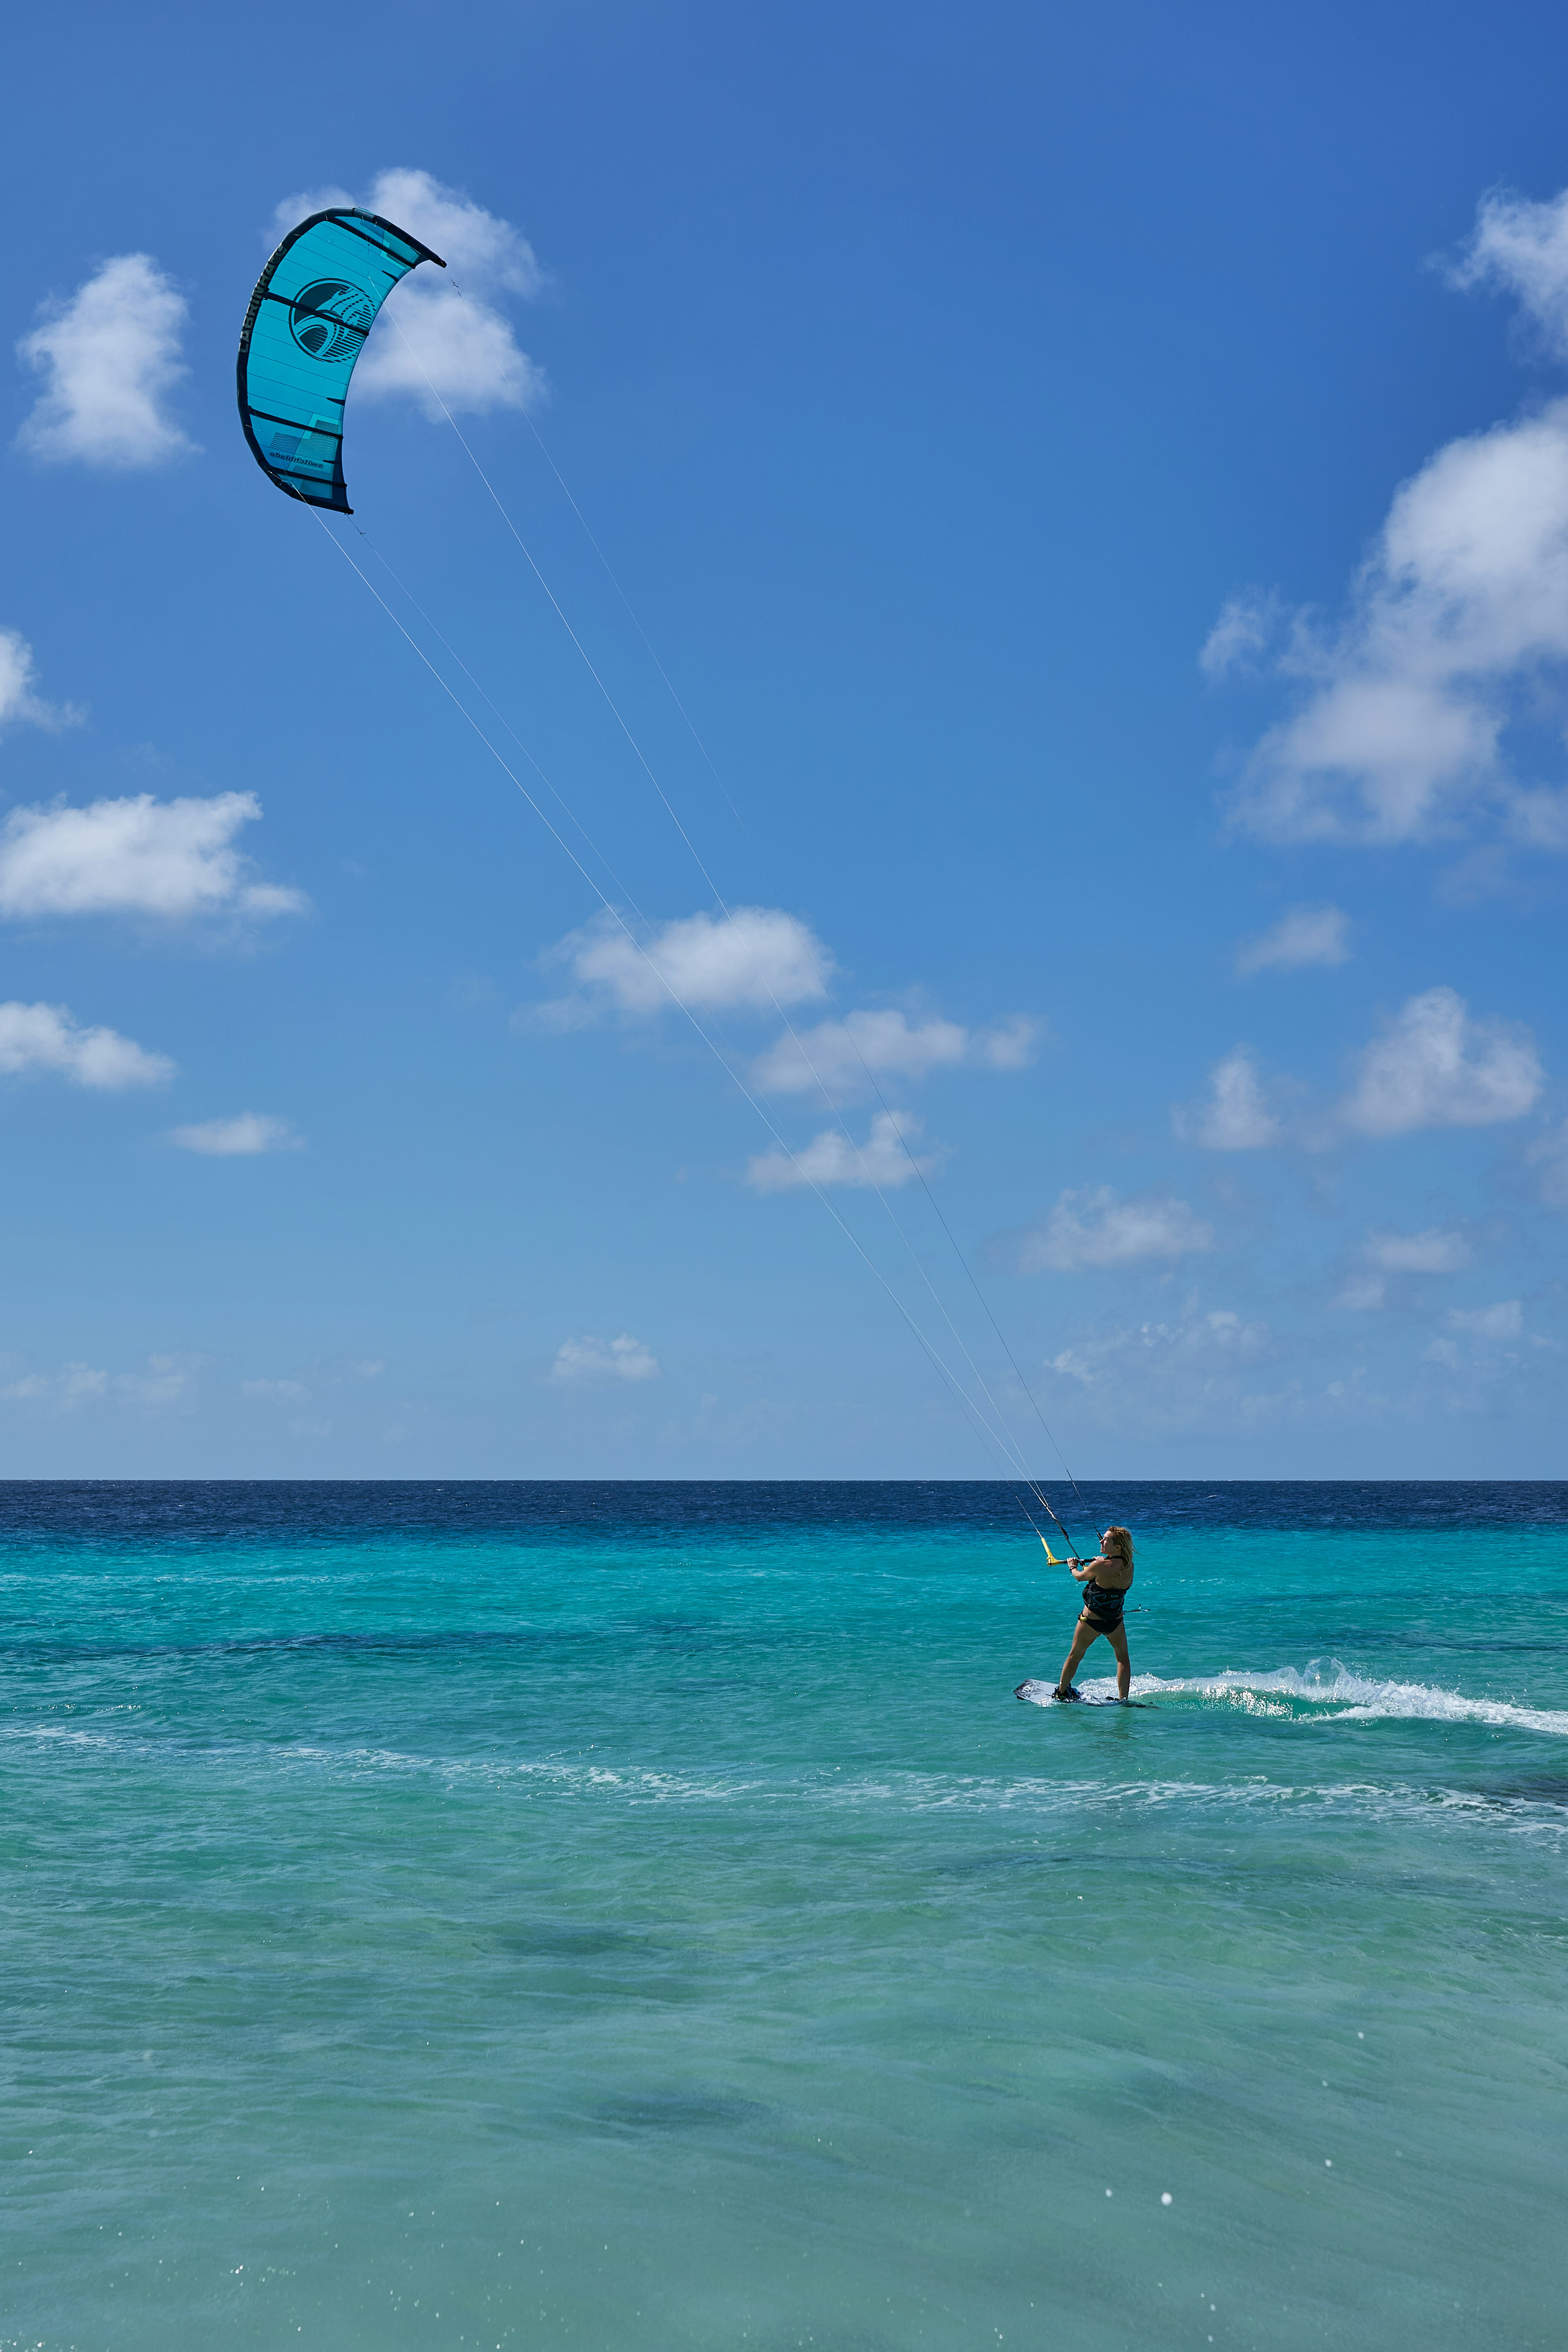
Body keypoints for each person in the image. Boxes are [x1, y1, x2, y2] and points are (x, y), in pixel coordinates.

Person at [1051, 1525, 1136, 1702]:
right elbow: (1111, 1577)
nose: (1101, 1541)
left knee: (1075, 1656)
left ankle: (1061, 1691)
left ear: (1118, 1547)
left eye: (1106, 1539)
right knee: (1123, 1660)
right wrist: (1103, 1561)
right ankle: (1124, 1699)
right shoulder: (1129, 1566)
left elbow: (1080, 1577)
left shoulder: (1099, 1566)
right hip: (1115, 1622)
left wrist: (1072, 1566)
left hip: (1090, 1621)